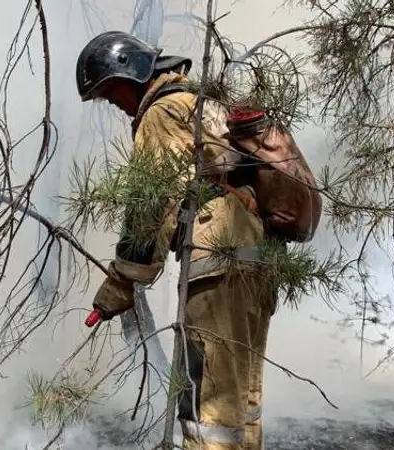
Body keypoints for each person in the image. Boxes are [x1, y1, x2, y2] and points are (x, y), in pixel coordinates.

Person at [76, 30, 283, 450]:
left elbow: (150, 207)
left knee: (207, 406)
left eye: (111, 93)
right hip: (258, 260)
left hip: (216, 267)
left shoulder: (162, 113)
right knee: (242, 404)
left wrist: (119, 285)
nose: (114, 104)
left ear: (130, 73)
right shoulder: (204, 103)